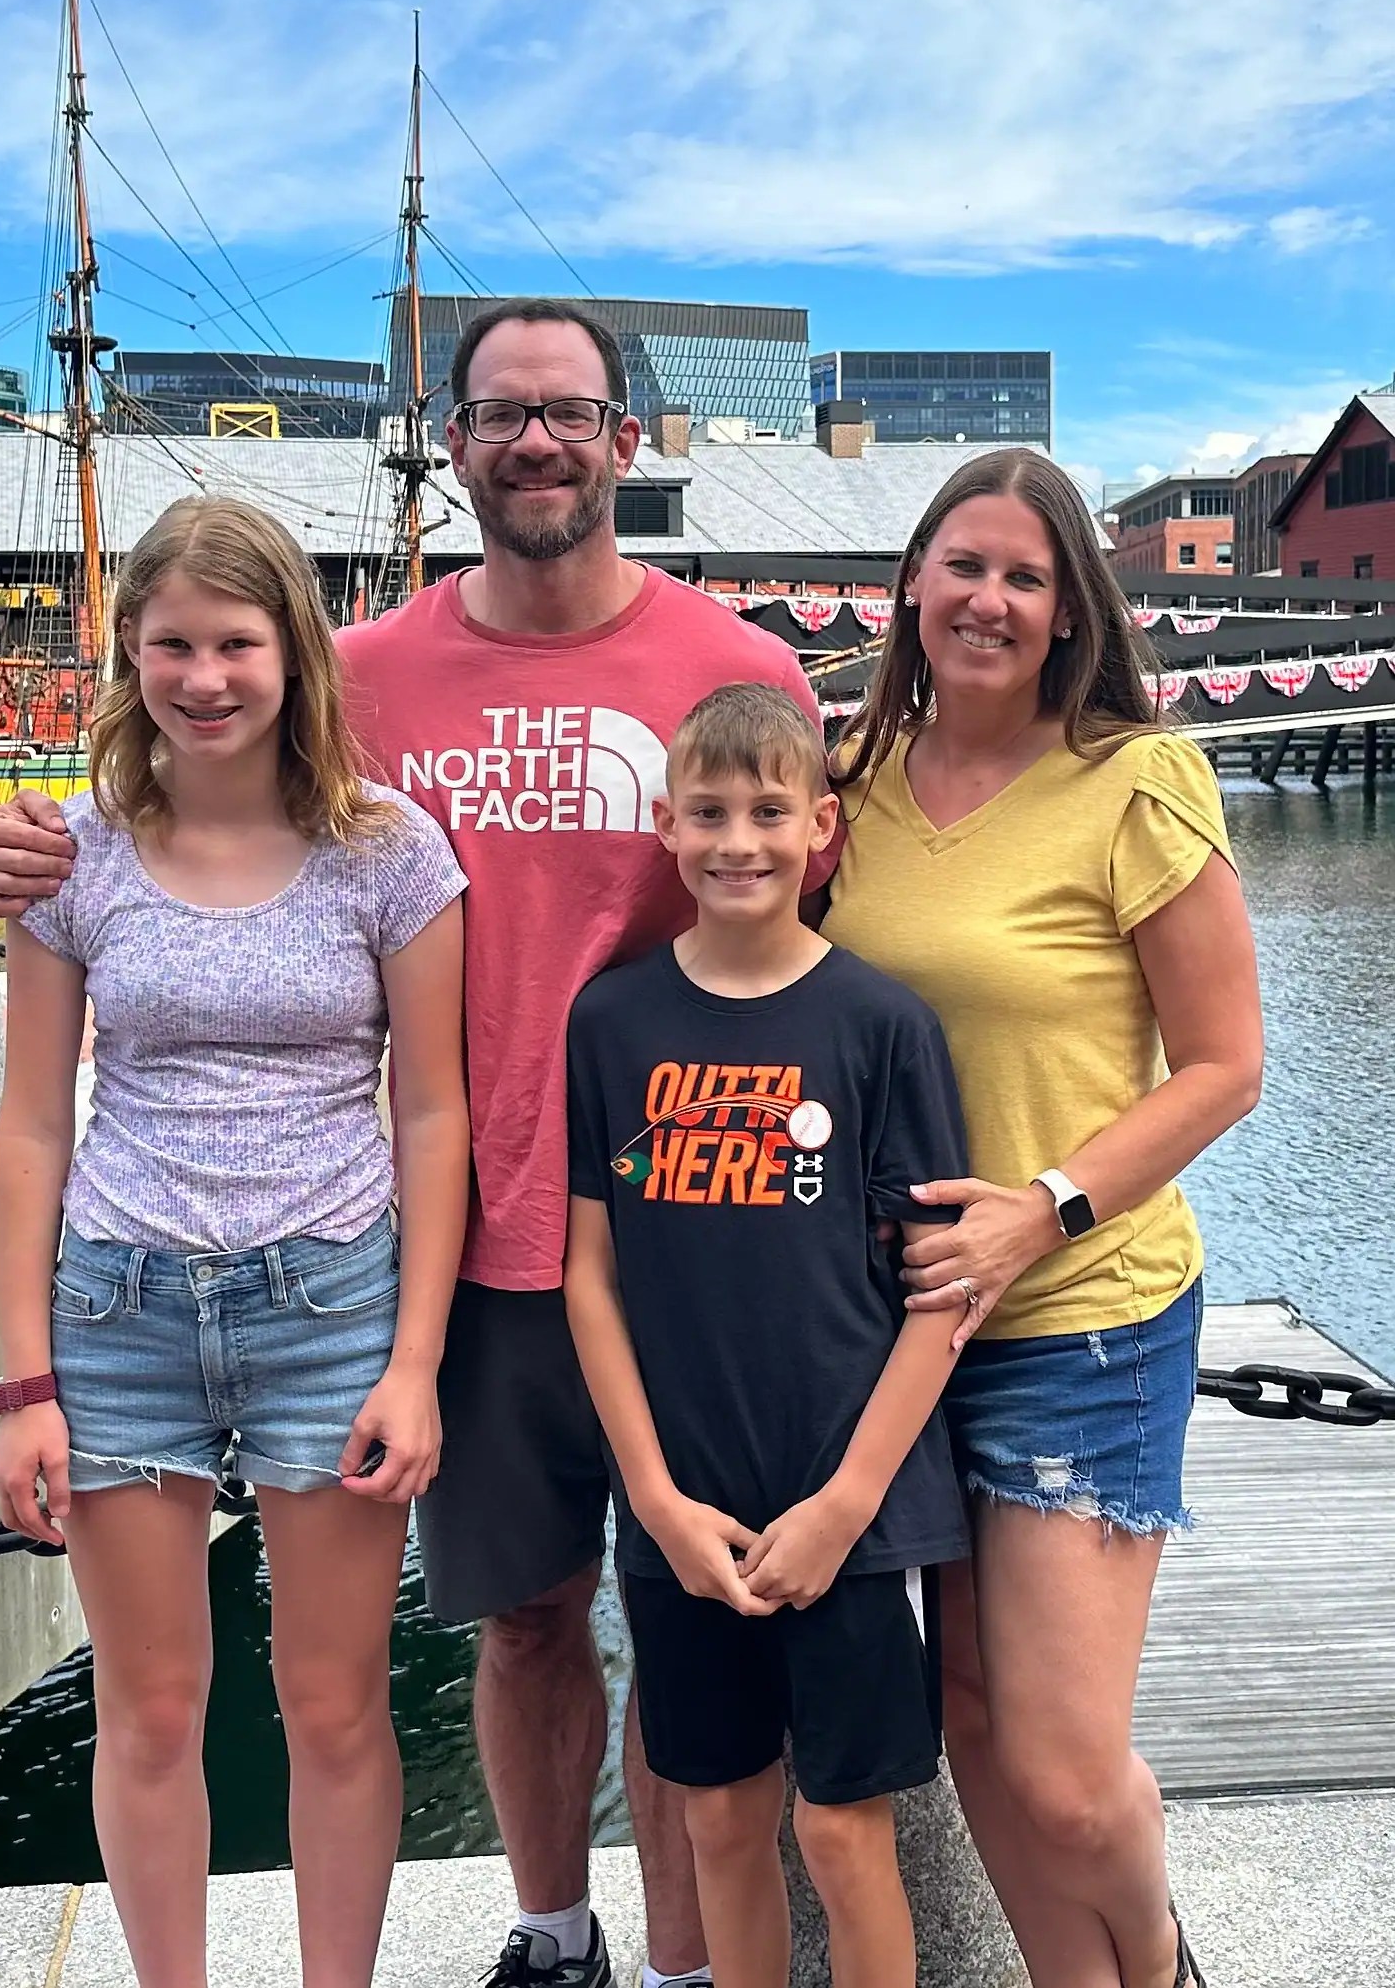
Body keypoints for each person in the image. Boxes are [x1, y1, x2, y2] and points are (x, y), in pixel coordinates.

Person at [0, 297, 830, 1988]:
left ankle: (674, 1961)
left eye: (569, 411)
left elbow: (823, 927)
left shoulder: (742, 673)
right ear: (455, 442)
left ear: (623, 441)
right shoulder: (357, 686)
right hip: (457, 1244)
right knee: (517, 1615)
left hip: (679, 1231)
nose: (536, 439)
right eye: (502, 412)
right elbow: (186, 806)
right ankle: (550, 1929)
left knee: (680, 1619)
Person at [0, 495, 470, 1988]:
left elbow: (434, 1113)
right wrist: (23, 1384)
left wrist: (415, 1363)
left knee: (331, 1704)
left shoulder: (389, 853)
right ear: (129, 652)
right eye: (174, 643)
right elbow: (30, 1126)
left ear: (294, 654)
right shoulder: (73, 857)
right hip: (120, 1304)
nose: (205, 676)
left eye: (237, 642)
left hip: (328, 1298)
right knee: (150, 1705)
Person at [822, 448, 1262, 1988]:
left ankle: (1155, 1959)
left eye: (1025, 575)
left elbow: (1224, 1067)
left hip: (1083, 1311)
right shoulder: (847, 785)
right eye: (964, 565)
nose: (989, 599)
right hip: (905, 1326)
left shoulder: (1135, 780)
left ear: (1072, 608)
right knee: (971, 1726)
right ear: (913, 585)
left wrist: (1046, 1207)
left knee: (1068, 1763)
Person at [562, 685, 971, 1988]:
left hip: (842, 1509)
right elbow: (589, 1272)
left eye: (768, 810)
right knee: (720, 1818)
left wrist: (850, 1503)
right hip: (684, 1509)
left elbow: (940, 1290)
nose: (739, 839)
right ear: (666, 826)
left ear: (820, 826)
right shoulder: (613, 1023)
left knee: (846, 1833)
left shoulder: (882, 1025)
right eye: (711, 812)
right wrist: (654, 1498)